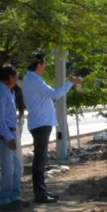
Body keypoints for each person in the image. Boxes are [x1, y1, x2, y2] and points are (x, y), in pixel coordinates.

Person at [19, 53, 83, 203]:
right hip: (41, 124)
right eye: (44, 63)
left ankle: (42, 191)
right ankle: (40, 194)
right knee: (40, 159)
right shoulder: (34, 80)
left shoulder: (32, 79)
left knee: (41, 158)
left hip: (40, 123)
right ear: (39, 64)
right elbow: (55, 94)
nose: (45, 66)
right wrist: (70, 83)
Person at [0, 65, 28, 211]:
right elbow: (0, 119)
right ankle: (4, 200)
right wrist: (8, 138)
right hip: (4, 134)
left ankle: (14, 197)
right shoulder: (0, 92)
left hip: (12, 132)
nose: (17, 78)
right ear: (11, 77)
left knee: (17, 167)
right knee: (8, 169)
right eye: (16, 75)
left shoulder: (8, 91)